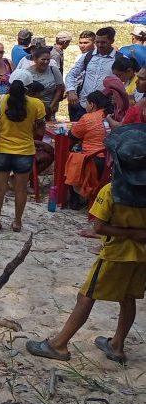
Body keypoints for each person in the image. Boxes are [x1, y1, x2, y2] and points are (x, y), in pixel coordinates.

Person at [26, 124, 146, 364]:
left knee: (86, 296)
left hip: (115, 255)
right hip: (142, 257)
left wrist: (128, 232)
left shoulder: (111, 192)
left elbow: (99, 227)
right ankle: (117, 346)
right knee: (128, 299)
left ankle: (58, 345)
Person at [0, 69, 46, 233]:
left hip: (1, 150)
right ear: (28, 87)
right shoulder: (37, 105)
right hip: (25, 151)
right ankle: (17, 222)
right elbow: (41, 130)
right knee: (21, 189)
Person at [65, 26, 117, 121]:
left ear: (112, 41)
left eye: (103, 42)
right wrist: (71, 91)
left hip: (104, 109)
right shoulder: (87, 56)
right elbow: (71, 74)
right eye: (97, 42)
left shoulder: (118, 59)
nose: (99, 45)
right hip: (84, 106)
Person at [27, 46, 64, 119]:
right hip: (33, 109)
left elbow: (59, 89)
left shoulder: (54, 70)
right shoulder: (27, 73)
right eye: (43, 59)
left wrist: (51, 107)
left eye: (48, 60)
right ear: (35, 59)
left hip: (49, 109)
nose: (46, 62)